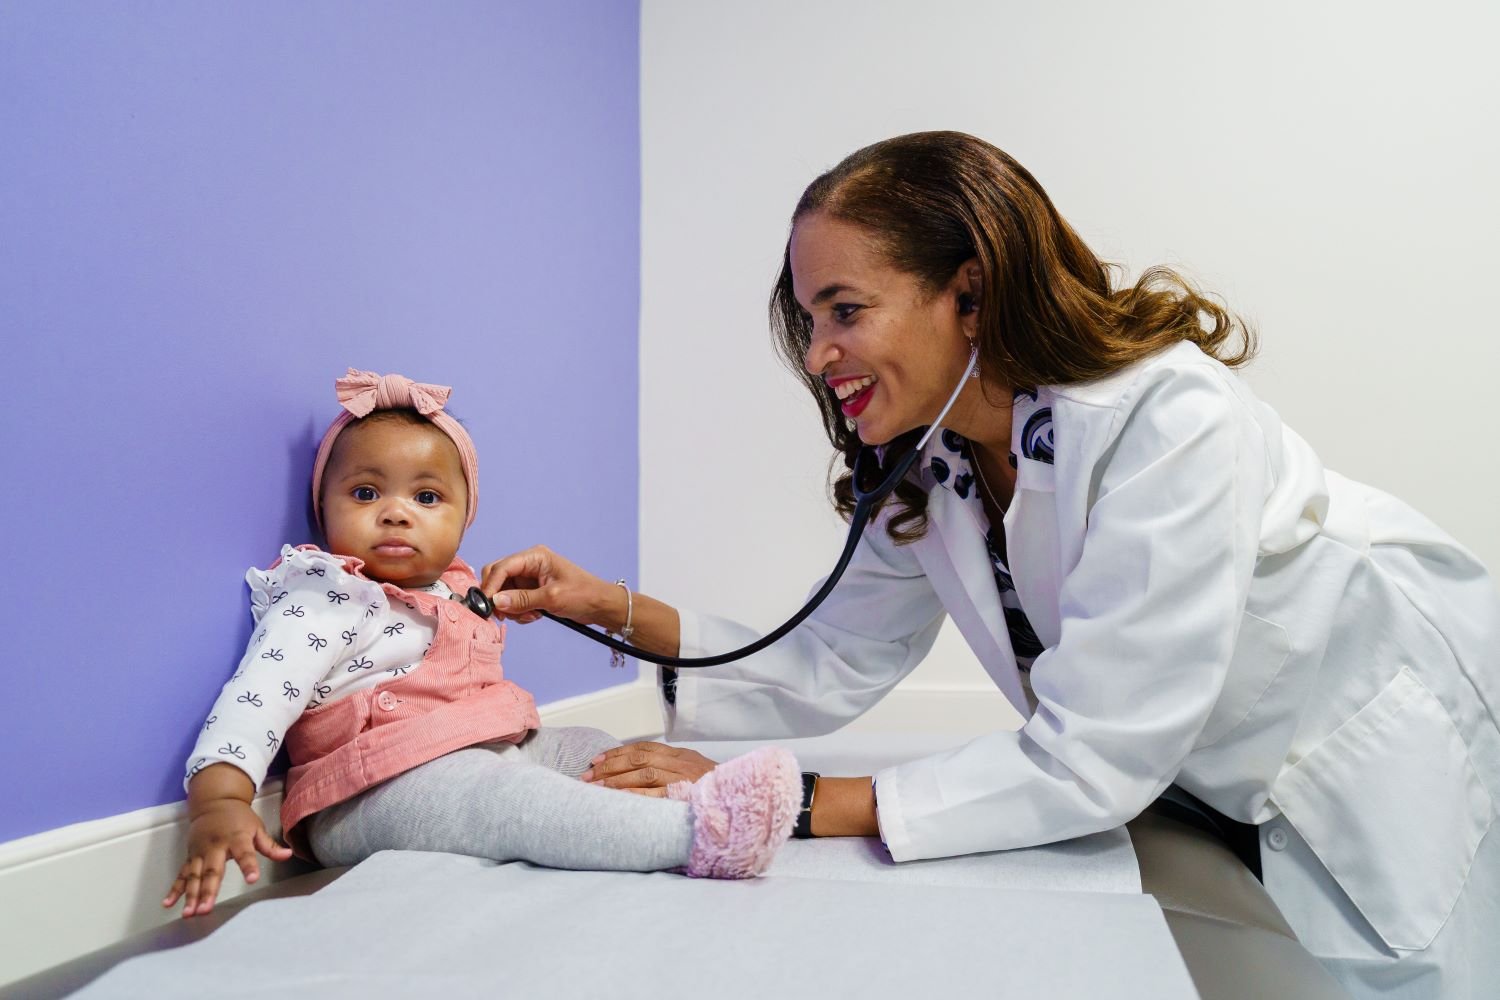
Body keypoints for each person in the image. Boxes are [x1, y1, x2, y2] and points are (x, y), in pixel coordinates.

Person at [481, 132, 1500, 999]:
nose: (817, 352)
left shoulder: (1166, 420)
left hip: (1371, 743)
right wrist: (599, 605)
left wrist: (796, 803)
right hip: (1209, 773)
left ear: (968, 294)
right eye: (809, 319)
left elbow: (1096, 750)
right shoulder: (938, 461)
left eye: (845, 309)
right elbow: (829, 657)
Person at [162, 369, 802, 919]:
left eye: (427, 496)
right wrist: (219, 802)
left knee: (585, 748)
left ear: (465, 516)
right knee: (511, 804)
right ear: (321, 507)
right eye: (365, 493)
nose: (395, 512)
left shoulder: (455, 591)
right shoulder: (324, 597)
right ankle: (695, 836)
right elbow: (254, 701)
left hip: (481, 753)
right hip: (372, 793)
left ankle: (690, 792)